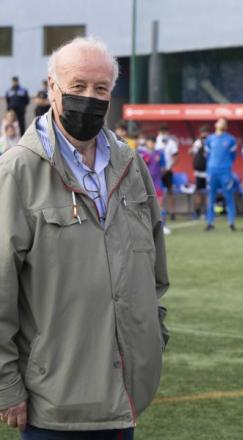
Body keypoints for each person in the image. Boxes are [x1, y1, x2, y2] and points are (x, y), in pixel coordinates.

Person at [0, 36, 168, 439]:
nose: (89, 98)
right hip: (53, 400)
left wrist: (153, 337)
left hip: (123, 398)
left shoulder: (130, 165)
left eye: (101, 89)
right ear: (51, 89)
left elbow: (155, 271)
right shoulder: (18, 170)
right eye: (77, 87)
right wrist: (5, 383)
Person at [205, 118, 238, 231]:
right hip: (212, 171)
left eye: (224, 122)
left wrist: (226, 166)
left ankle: (231, 223)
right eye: (220, 121)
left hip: (225, 172)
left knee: (229, 197)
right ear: (215, 124)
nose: (222, 124)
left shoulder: (231, 139)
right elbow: (208, 155)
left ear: (226, 126)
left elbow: (233, 156)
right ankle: (210, 223)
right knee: (211, 198)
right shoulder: (210, 139)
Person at [138, 135, 171, 235]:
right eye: (149, 142)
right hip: (144, 183)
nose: (151, 144)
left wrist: (158, 173)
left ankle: (163, 225)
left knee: (160, 205)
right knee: (145, 205)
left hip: (157, 183)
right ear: (146, 143)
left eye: (153, 142)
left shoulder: (159, 153)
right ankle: (146, 227)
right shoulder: (141, 153)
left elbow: (164, 168)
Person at [155, 124, 179, 220]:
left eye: (165, 132)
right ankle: (158, 212)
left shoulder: (172, 142)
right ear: (159, 132)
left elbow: (176, 156)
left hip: (168, 171)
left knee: (170, 191)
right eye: (162, 132)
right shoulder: (156, 141)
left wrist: (169, 167)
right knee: (157, 192)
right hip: (157, 171)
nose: (163, 134)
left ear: (168, 133)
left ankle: (172, 212)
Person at [189, 125, 211, 219]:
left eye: (206, 132)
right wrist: (195, 148)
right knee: (198, 192)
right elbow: (191, 153)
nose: (204, 134)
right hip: (199, 171)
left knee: (208, 192)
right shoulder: (197, 142)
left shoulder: (211, 141)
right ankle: (197, 211)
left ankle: (207, 211)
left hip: (209, 171)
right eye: (203, 132)